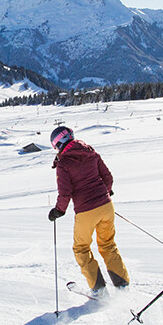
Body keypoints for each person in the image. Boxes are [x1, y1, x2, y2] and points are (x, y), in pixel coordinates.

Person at [48, 125, 129, 296]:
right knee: (108, 244)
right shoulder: (91, 152)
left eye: (55, 147)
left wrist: (58, 211)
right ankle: (122, 285)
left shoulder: (64, 163)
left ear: (59, 143)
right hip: (106, 206)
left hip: (86, 211)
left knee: (81, 248)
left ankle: (99, 290)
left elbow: (65, 192)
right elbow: (108, 177)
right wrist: (106, 191)